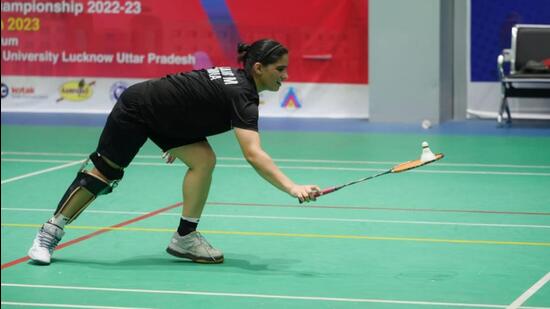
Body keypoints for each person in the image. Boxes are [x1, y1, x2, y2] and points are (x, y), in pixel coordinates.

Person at [27, 39, 320, 265]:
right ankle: (48, 233)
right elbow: (253, 154)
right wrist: (293, 187)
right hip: (138, 108)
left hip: (167, 116)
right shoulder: (242, 95)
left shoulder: (239, 82)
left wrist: (178, 133)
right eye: (280, 69)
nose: (285, 75)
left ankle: (185, 237)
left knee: (203, 160)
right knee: (103, 175)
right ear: (259, 68)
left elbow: (194, 100)